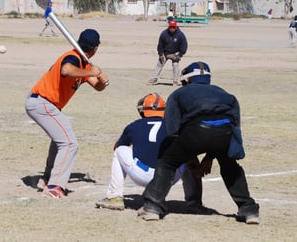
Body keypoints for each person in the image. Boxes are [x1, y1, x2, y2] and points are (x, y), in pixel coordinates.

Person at [138, 61, 260, 224]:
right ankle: (249, 211)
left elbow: (172, 129)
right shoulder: (226, 94)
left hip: (195, 132)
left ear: (187, 80)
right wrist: (211, 156)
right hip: (225, 133)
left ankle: (152, 207)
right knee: (230, 166)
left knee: (167, 162)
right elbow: (234, 126)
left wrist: (187, 155)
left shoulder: (179, 94)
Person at [25, 29, 109, 198]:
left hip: (44, 104)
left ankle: (47, 179)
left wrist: (101, 80)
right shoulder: (73, 57)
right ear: (96, 48)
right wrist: (91, 72)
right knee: (70, 143)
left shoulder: (84, 65)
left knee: (60, 141)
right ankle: (55, 187)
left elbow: (97, 86)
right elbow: (66, 70)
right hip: (42, 102)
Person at [95, 93, 203, 211]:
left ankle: (114, 197)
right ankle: (194, 202)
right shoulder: (175, 125)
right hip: (168, 177)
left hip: (142, 174)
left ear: (143, 111)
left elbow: (117, 146)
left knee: (120, 151)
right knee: (188, 155)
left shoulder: (135, 125)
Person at [148, 20, 188, 86]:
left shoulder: (180, 35)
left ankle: (175, 81)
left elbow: (184, 46)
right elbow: (160, 45)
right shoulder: (164, 34)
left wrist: (180, 55)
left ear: (176, 27)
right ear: (168, 26)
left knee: (175, 65)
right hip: (165, 52)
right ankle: (154, 79)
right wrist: (160, 54)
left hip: (175, 53)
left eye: (173, 27)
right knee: (159, 64)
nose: (172, 28)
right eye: (170, 27)